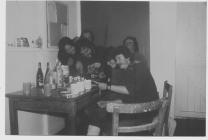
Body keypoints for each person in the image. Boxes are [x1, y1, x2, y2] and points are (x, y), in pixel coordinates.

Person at [86, 46, 159, 136]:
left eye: (119, 58)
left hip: (144, 113)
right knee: (98, 112)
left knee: (99, 115)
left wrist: (107, 87)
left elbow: (129, 91)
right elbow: (132, 97)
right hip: (140, 108)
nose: (117, 62)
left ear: (128, 57)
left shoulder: (139, 67)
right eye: (116, 59)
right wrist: (109, 102)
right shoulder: (130, 69)